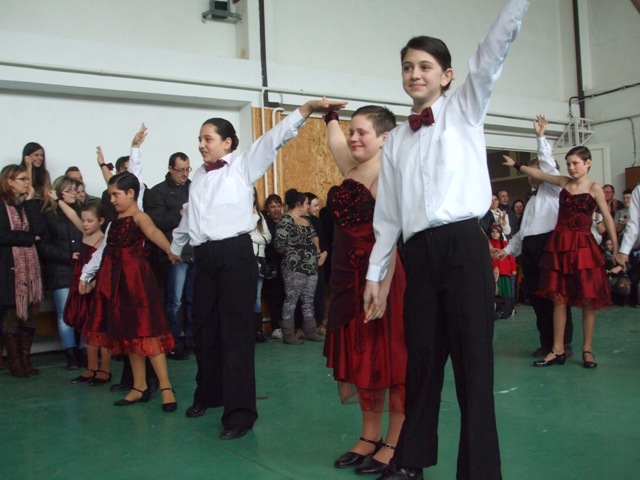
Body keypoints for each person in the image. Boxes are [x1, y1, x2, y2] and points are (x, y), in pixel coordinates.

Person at [362, 2, 531, 478]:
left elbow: (492, 51)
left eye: (425, 66)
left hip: (462, 248)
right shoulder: (396, 141)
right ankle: (411, 459)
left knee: (473, 366)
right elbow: (388, 215)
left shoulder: (464, 109)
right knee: (421, 363)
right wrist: (376, 273)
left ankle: (478, 471)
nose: (414, 74)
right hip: (418, 255)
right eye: (407, 67)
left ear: (447, 75)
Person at [170, 98, 347, 439]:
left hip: (235, 257)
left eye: (208, 138)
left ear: (227, 142)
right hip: (204, 258)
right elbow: (190, 215)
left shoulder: (242, 165)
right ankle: (209, 394)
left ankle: (240, 415)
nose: (201, 144)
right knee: (204, 331)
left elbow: (273, 139)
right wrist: (176, 247)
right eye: (200, 139)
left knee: (236, 336)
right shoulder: (198, 175)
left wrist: (305, 110)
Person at [323, 105, 407, 475]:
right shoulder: (352, 169)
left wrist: (383, 288)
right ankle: (369, 436)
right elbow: (335, 142)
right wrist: (329, 116)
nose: (353, 138)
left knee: (390, 359)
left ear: (385, 138)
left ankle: (394, 441)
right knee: (364, 359)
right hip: (347, 280)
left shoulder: (390, 176)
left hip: (382, 279)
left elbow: (392, 240)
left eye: (362, 133)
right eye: (352, 131)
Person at [503, 144, 617, 370]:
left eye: (575, 163)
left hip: (583, 246)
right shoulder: (563, 182)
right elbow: (539, 173)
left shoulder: (594, 188)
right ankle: (557, 350)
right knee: (558, 299)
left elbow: (608, 218)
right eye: (568, 164)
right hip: (560, 245)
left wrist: (618, 250)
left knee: (587, 300)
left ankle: (587, 350)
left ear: (588, 163)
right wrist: (516, 164)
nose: (571, 167)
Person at [80, 172, 179, 412]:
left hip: (137, 282)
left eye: (116, 194)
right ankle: (139, 385)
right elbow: (104, 250)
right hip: (118, 283)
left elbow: (153, 232)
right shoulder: (114, 222)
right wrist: (89, 276)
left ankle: (166, 387)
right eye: (110, 195)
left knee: (147, 332)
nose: (112, 199)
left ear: (131, 193)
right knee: (130, 334)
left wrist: (170, 250)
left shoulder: (139, 216)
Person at [494, 115, 574, 357]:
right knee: (537, 298)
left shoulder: (554, 190)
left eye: (535, 170)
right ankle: (546, 342)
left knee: (555, 298)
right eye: (530, 171)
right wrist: (505, 250)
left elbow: (548, 165)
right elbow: (523, 233)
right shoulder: (531, 201)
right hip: (530, 249)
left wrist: (540, 137)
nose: (531, 175)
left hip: (547, 247)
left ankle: (564, 343)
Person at [52, 198, 112, 385]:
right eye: (83, 220)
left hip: (96, 288)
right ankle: (91, 368)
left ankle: (105, 370)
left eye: (89, 221)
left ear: (101, 221)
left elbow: (105, 268)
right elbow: (71, 215)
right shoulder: (85, 232)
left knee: (100, 330)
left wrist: (92, 284)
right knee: (88, 329)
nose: (85, 224)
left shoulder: (103, 240)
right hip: (81, 285)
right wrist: (57, 199)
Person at [144, 152, 195, 360]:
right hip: (174, 253)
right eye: (180, 170)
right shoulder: (157, 192)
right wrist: (179, 214)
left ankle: (192, 340)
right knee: (174, 301)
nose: (185, 174)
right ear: (170, 169)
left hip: (196, 251)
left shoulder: (195, 187)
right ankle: (173, 342)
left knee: (193, 300)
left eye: (187, 169)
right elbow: (155, 222)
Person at [0, 165, 44, 378]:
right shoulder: (1, 206)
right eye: (22, 179)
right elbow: (3, 236)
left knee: (32, 315)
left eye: (27, 179)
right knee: (12, 317)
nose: (27, 183)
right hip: (10, 271)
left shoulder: (26, 205)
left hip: (31, 270)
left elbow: (40, 230)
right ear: (9, 182)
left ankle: (25, 358)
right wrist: (29, 238)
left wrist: (30, 201)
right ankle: (15, 362)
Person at [38, 176, 83, 370]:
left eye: (75, 189)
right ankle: (70, 354)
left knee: (84, 312)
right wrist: (68, 256)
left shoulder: (82, 212)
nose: (74, 193)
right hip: (60, 271)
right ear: (58, 192)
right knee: (64, 314)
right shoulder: (49, 215)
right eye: (69, 189)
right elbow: (44, 246)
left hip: (82, 270)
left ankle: (84, 352)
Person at [273, 188, 324, 345]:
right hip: (294, 267)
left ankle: (310, 331)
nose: (308, 206)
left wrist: (315, 250)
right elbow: (279, 245)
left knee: (308, 299)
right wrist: (294, 254)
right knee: (292, 299)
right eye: (306, 203)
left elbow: (314, 236)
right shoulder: (286, 220)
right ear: (299, 204)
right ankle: (288, 333)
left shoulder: (306, 220)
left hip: (311, 266)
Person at [250, 188, 272, 343]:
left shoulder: (260, 215)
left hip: (260, 259)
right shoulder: (240, 214)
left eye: (253, 195)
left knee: (257, 295)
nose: (251, 197)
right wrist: (260, 239)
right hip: (246, 259)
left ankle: (258, 330)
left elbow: (268, 237)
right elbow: (244, 236)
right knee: (246, 295)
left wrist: (255, 238)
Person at [262, 194, 285, 339]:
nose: (276, 209)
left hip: (286, 265)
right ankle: (276, 327)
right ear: (267, 209)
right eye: (272, 206)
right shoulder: (264, 223)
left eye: (278, 206)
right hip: (271, 265)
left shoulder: (285, 222)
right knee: (274, 296)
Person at [305, 192, 329, 332]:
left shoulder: (318, 222)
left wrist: (324, 254)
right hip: (305, 264)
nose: (318, 208)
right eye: (315, 205)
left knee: (319, 293)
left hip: (319, 262)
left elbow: (325, 242)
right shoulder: (299, 221)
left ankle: (319, 324)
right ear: (306, 205)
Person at [488, 224, 516, 297]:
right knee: (498, 293)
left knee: (507, 293)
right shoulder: (489, 245)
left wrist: (513, 268)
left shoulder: (504, 243)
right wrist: (495, 267)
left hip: (506, 272)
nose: (494, 234)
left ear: (500, 233)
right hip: (496, 273)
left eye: (497, 232)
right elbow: (491, 258)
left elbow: (511, 257)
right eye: (493, 232)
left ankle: (508, 304)